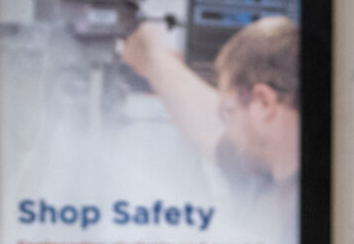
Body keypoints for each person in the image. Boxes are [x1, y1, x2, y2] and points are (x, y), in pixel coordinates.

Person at [119, 12, 302, 198]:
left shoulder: (285, 209)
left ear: (264, 102)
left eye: (229, 111)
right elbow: (209, 127)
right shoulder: (276, 169)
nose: (226, 127)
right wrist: (149, 53)